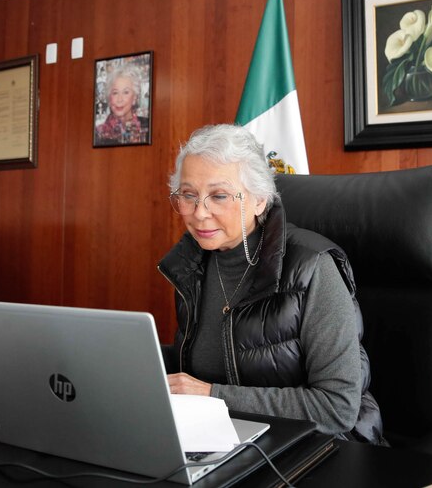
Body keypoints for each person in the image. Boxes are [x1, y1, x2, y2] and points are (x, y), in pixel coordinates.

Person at [158, 123, 385, 443]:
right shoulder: (190, 264)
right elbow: (212, 360)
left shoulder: (314, 266)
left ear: (260, 200)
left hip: (320, 448)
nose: (199, 213)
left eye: (219, 196)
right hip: (227, 436)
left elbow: (337, 408)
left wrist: (212, 395)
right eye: (188, 196)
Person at [94, 64, 149, 145]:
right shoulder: (98, 133)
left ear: (134, 98)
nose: (119, 99)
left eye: (126, 92)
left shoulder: (147, 126)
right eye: (115, 93)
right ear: (109, 98)